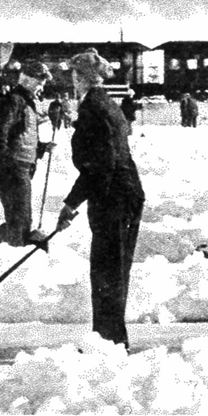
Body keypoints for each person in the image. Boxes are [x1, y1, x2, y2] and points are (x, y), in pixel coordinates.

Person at [56, 48, 145, 349]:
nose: (72, 82)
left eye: (73, 76)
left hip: (114, 196)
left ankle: (110, 341)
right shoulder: (102, 104)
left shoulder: (95, 107)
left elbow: (100, 164)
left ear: (81, 78)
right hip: (118, 193)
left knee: (108, 270)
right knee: (111, 269)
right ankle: (109, 338)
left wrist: (70, 203)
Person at [0, 62, 54, 249]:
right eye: (39, 81)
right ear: (26, 79)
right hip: (12, 166)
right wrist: (6, 161)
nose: (42, 86)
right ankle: (10, 253)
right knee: (20, 217)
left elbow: (19, 134)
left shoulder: (26, 102)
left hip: (20, 164)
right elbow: (1, 132)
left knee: (20, 216)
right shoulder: (15, 100)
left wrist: (41, 147)